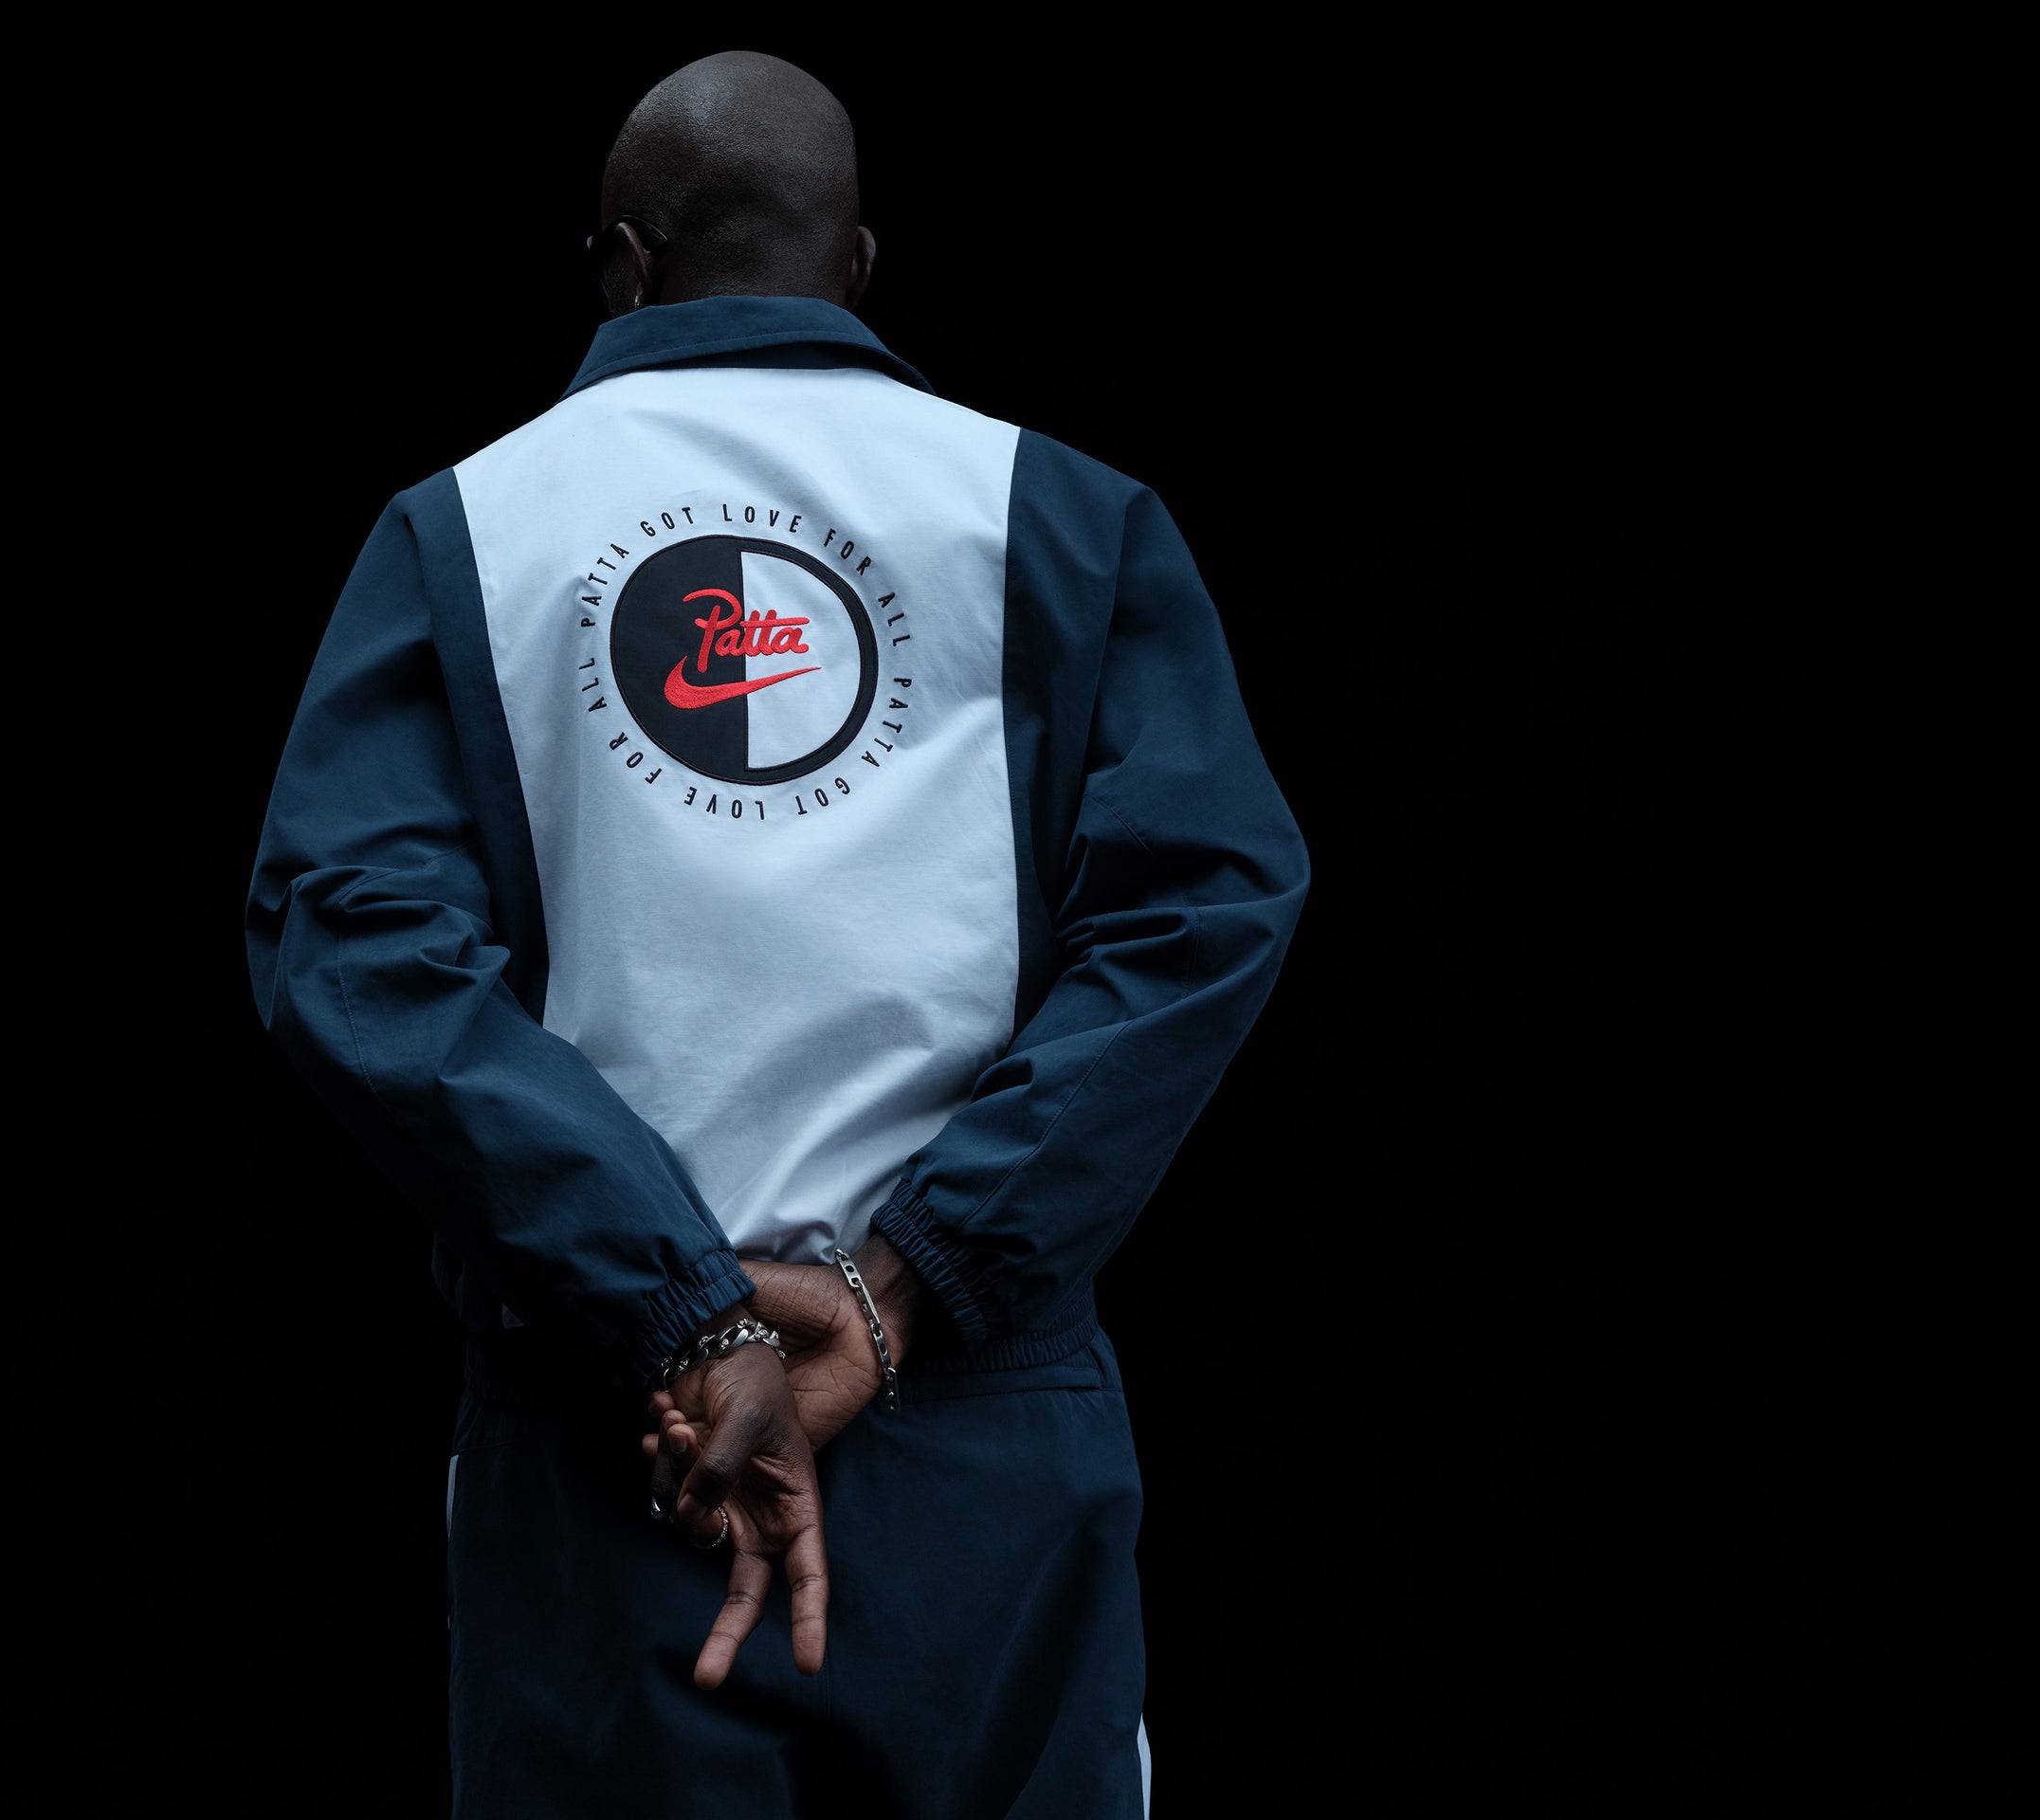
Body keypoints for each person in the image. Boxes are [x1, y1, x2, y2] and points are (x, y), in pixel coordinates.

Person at [246, 49, 1307, 1818]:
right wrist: (895, 1298)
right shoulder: (1063, 517)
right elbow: (1203, 912)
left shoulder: (465, 532)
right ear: (859, 266)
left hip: (627, 1450)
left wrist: (684, 1315)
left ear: (621, 265)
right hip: (981, 1441)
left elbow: (354, 950)